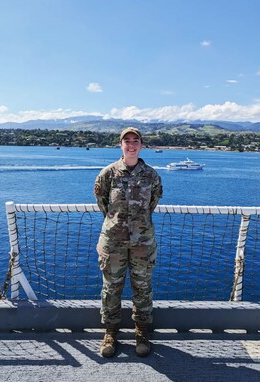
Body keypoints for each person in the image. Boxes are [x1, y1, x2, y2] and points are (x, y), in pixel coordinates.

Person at [94, 127, 163, 358]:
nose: (131, 145)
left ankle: (141, 331)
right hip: (113, 243)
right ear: (120, 145)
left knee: (142, 289)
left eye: (135, 141)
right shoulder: (108, 174)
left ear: (141, 145)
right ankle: (111, 332)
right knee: (111, 289)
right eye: (127, 141)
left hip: (143, 244)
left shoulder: (151, 176)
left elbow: (151, 205)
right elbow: (103, 204)